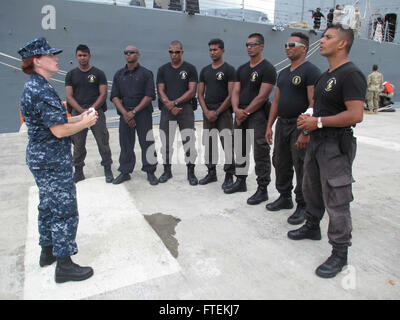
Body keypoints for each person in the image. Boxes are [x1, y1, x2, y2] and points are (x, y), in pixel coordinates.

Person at [19, 37, 96, 283]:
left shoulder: (37, 85)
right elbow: (59, 131)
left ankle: (47, 252)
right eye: (50, 55)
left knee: (48, 205)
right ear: (37, 61)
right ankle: (64, 265)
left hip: (43, 158)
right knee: (64, 209)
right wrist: (85, 123)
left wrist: (80, 116)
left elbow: (59, 121)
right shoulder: (40, 89)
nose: (56, 59)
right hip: (51, 159)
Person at [292, 24, 366, 278]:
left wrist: (319, 122)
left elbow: (356, 114)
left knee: (337, 198)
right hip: (317, 141)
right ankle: (312, 226)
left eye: (328, 37)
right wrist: (308, 119)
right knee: (310, 188)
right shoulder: (326, 76)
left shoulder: (351, 74)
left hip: (335, 145)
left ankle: (339, 253)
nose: (321, 41)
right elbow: (320, 108)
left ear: (342, 44)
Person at [265, 32, 321, 225]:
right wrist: (269, 126)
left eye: (292, 44)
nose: (287, 48)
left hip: (299, 125)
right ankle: (284, 196)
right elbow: (276, 101)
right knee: (280, 161)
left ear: (304, 48)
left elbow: (313, 103)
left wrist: (305, 131)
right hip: (282, 124)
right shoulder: (284, 73)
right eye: (286, 45)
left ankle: (303, 205)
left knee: (302, 166)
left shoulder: (311, 71)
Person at [224, 33, 276, 206]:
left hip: (258, 115)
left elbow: (263, 96)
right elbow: (235, 92)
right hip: (240, 114)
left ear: (261, 46)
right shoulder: (242, 69)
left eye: (253, 44)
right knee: (240, 147)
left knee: (260, 150)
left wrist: (243, 113)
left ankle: (262, 189)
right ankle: (241, 181)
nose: (249, 47)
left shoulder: (267, 69)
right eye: (247, 44)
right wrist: (236, 110)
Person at [110, 45, 158, 185]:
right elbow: (114, 96)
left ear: (138, 55)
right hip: (125, 114)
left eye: (132, 52)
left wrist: (134, 112)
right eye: (126, 53)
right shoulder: (119, 75)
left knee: (147, 142)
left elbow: (149, 95)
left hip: (143, 114)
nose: (129, 55)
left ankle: (150, 172)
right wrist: (126, 114)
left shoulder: (146, 74)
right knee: (126, 143)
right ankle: (125, 171)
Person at [65, 44, 114, 183]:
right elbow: (69, 96)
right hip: (78, 113)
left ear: (89, 56)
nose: (82, 58)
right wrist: (81, 111)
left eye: (85, 55)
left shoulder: (99, 73)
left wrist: (92, 109)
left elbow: (103, 93)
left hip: (96, 112)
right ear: (76, 57)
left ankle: (107, 169)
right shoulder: (71, 75)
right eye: (80, 55)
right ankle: (79, 172)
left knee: (102, 141)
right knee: (78, 143)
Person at [156, 40, 198, 185]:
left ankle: (191, 172)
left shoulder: (190, 69)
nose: (174, 55)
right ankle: (167, 171)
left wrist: (175, 103)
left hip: (185, 109)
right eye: (171, 52)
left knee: (189, 141)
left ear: (182, 52)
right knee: (166, 142)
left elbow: (192, 91)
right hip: (167, 111)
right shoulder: (163, 69)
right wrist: (169, 105)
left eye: (177, 52)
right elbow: (160, 90)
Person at [198, 38, 236, 189]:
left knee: (227, 144)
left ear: (222, 51)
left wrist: (218, 111)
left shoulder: (229, 70)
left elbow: (231, 94)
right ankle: (211, 172)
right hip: (208, 113)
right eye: (210, 50)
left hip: (224, 113)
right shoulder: (205, 71)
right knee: (209, 144)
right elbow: (200, 94)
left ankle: (229, 175)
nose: (212, 52)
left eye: (215, 49)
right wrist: (206, 111)